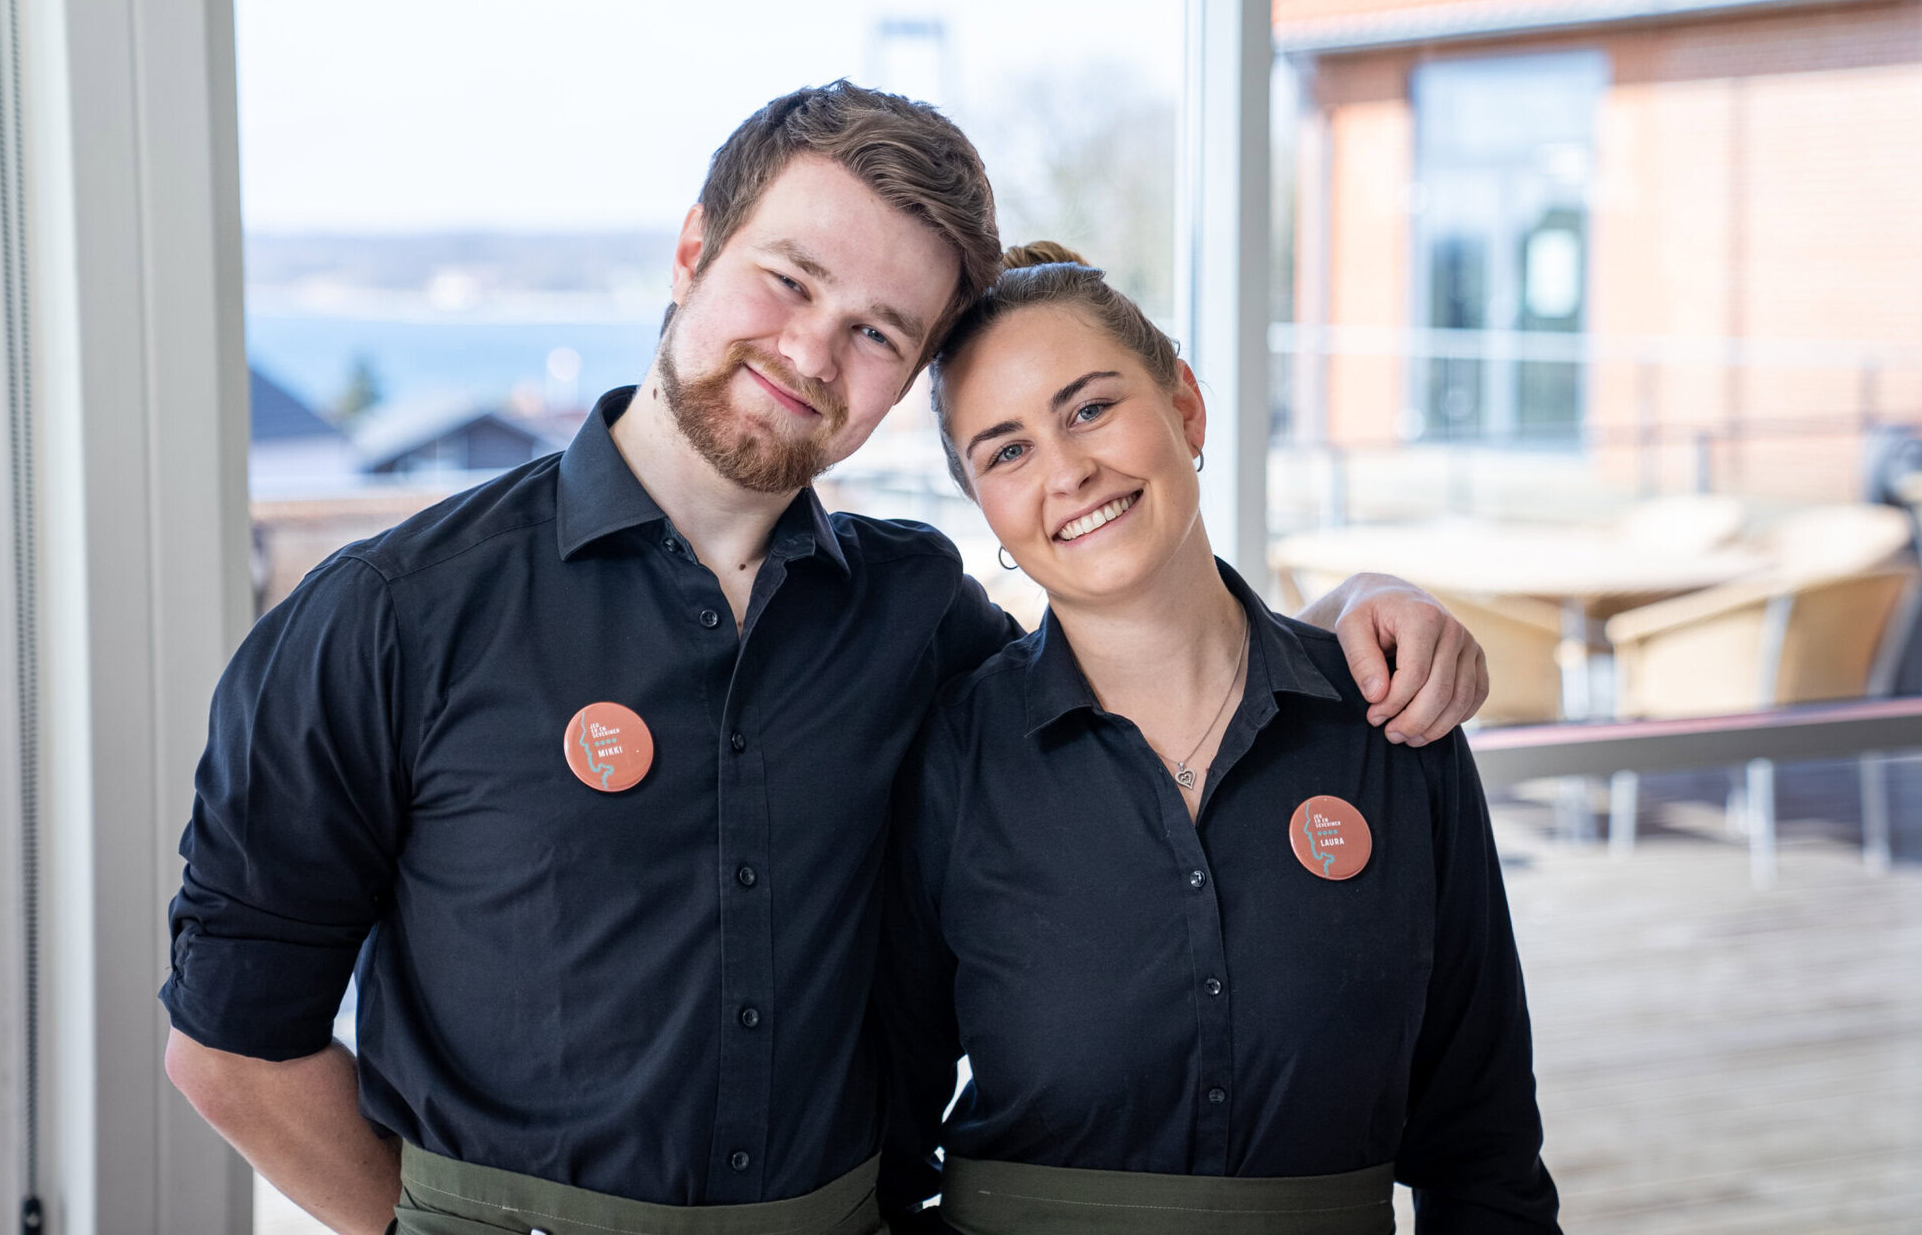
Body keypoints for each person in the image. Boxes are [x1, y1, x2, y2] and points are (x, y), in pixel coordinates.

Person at [160, 85, 1491, 1235]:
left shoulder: (916, 613)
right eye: (788, 281)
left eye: (876, 332)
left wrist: (1350, 613)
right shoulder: (392, 616)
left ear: (904, 385)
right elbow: (231, 1045)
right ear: (694, 249)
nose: (809, 351)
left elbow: (1140, 649)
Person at [877, 243, 1558, 1234]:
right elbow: (884, 1149)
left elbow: (1483, 1149)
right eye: (1006, 451)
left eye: (1089, 408)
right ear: (983, 501)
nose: (1068, 471)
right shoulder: (952, 760)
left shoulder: (1387, 722)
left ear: (1186, 408)